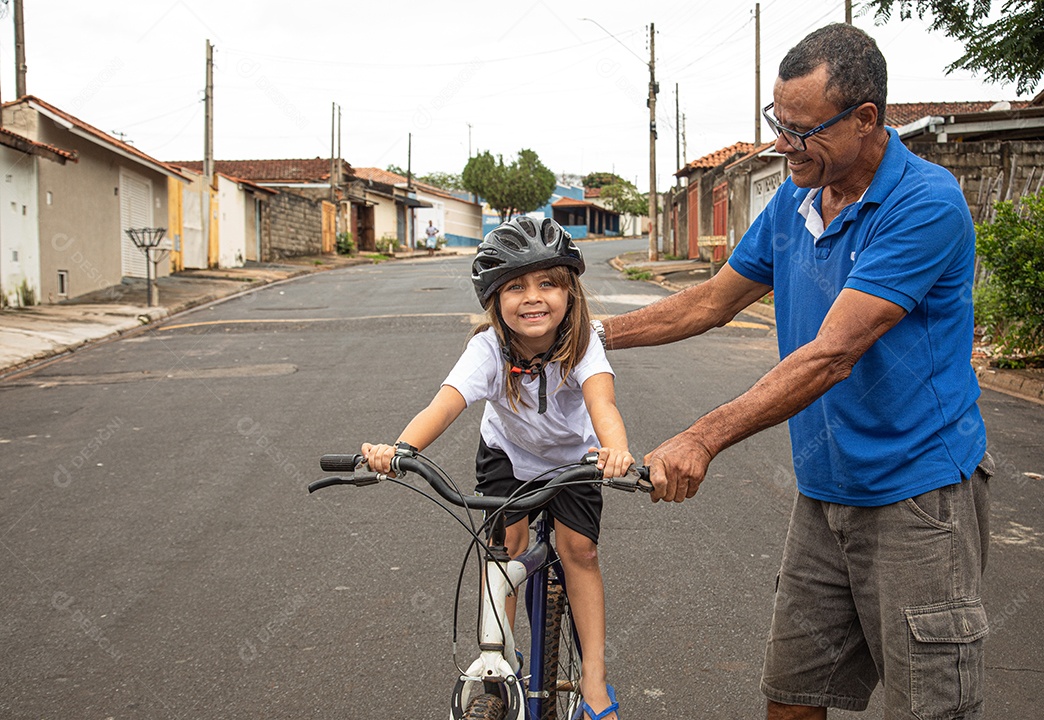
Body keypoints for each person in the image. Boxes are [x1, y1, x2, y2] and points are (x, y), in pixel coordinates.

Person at [598, 23, 992, 720]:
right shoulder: (794, 200)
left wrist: (702, 436)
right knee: (792, 699)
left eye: (802, 129)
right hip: (824, 495)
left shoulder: (923, 203)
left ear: (866, 119)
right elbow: (712, 301)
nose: (784, 143)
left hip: (918, 499)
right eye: (778, 123)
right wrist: (587, 338)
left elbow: (832, 354)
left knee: (929, 709)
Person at [363, 216, 633, 720]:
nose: (533, 297)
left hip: (574, 459)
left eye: (547, 283)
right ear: (494, 300)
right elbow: (445, 404)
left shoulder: (583, 342)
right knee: (503, 550)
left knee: (580, 551)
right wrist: (398, 449)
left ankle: (594, 676)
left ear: (570, 292)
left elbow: (604, 406)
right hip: (507, 455)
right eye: (515, 287)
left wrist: (616, 451)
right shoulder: (488, 347)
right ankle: (498, 661)